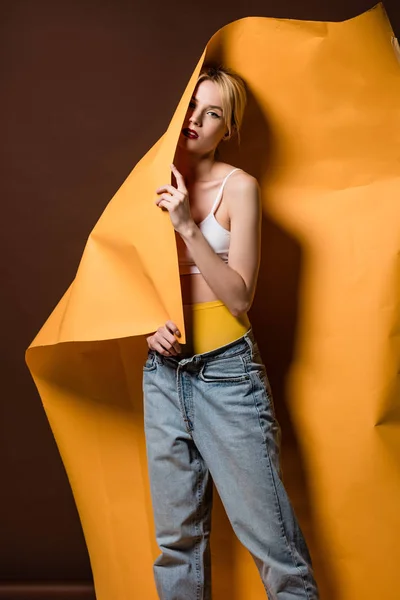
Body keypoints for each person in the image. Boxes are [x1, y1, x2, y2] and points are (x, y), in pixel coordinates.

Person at [142, 65, 320, 600]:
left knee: (273, 547)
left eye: (213, 112)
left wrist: (186, 226)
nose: (196, 119)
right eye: (192, 106)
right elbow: (129, 276)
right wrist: (145, 328)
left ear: (229, 128)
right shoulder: (151, 178)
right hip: (163, 374)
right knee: (176, 545)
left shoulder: (241, 188)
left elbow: (240, 298)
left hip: (227, 373)